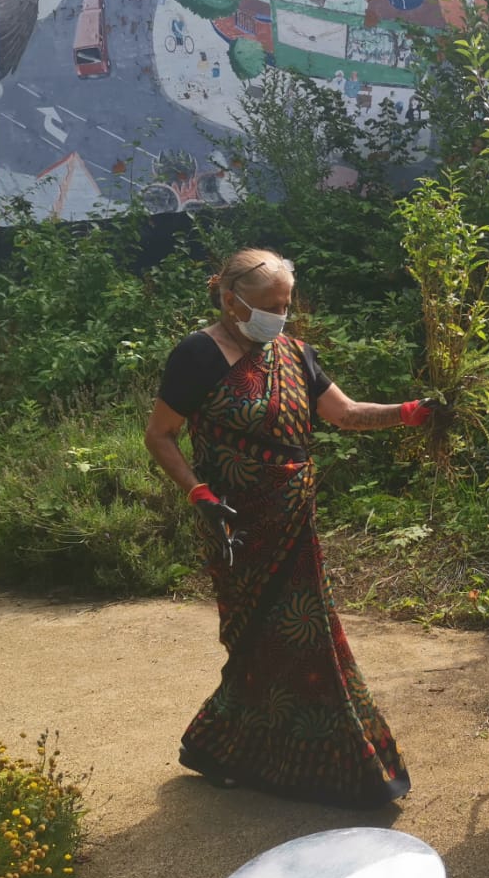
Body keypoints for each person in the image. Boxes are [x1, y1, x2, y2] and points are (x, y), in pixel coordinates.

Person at [143, 248, 436, 806]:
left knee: (307, 640)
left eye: (286, 305)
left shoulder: (294, 354)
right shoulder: (198, 355)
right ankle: (292, 762)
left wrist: (410, 412)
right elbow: (160, 435)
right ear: (231, 301)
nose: (281, 317)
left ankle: (235, 752)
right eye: (270, 306)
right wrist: (196, 490)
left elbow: (345, 414)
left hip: (294, 525)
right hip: (236, 528)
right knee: (257, 641)